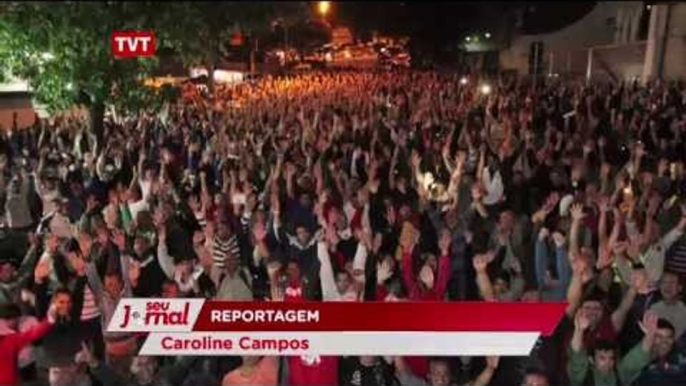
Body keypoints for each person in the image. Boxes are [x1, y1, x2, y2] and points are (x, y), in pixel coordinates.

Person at [567, 309, 658, 386]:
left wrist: (650, 335)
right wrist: (579, 331)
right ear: (591, 360)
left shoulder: (619, 373)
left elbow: (636, 358)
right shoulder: (583, 374)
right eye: (602, 358)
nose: (608, 362)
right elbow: (577, 355)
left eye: (611, 358)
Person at [0, 302, 52, 386]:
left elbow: (34, 333)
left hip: (30, 361)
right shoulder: (4, 334)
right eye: (6, 319)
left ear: (18, 317)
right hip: (14, 370)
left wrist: (49, 321)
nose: (9, 322)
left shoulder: (29, 321)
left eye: (13, 318)